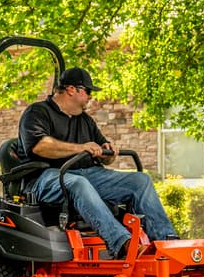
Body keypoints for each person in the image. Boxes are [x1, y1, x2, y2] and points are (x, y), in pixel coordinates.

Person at [19, 66, 179, 257]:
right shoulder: (37, 112)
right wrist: (81, 148)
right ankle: (123, 244)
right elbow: (40, 146)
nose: (90, 97)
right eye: (87, 92)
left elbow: (104, 154)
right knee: (78, 182)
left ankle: (167, 243)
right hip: (45, 177)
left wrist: (108, 153)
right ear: (72, 90)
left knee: (139, 181)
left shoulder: (85, 120)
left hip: (87, 174)